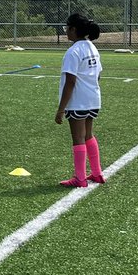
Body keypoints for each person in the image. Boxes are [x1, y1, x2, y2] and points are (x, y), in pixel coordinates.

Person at [55, 12, 104, 188]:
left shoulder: (73, 51)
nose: (66, 31)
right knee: (88, 135)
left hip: (78, 101)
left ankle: (80, 178)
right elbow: (98, 74)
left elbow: (70, 82)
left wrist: (61, 109)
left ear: (73, 29)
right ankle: (97, 173)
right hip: (93, 98)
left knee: (78, 138)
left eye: (67, 28)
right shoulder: (91, 46)